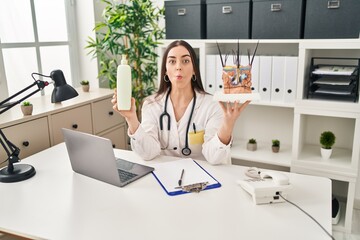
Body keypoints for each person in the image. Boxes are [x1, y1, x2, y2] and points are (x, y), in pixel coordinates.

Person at [111, 40, 250, 165]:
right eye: (172, 61)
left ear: (194, 69)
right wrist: (131, 119)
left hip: (203, 182)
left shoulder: (212, 105)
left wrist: (227, 125)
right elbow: (148, 153)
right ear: (165, 71)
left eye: (185, 61)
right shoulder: (151, 105)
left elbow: (213, 157)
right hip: (167, 179)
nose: (178, 67)